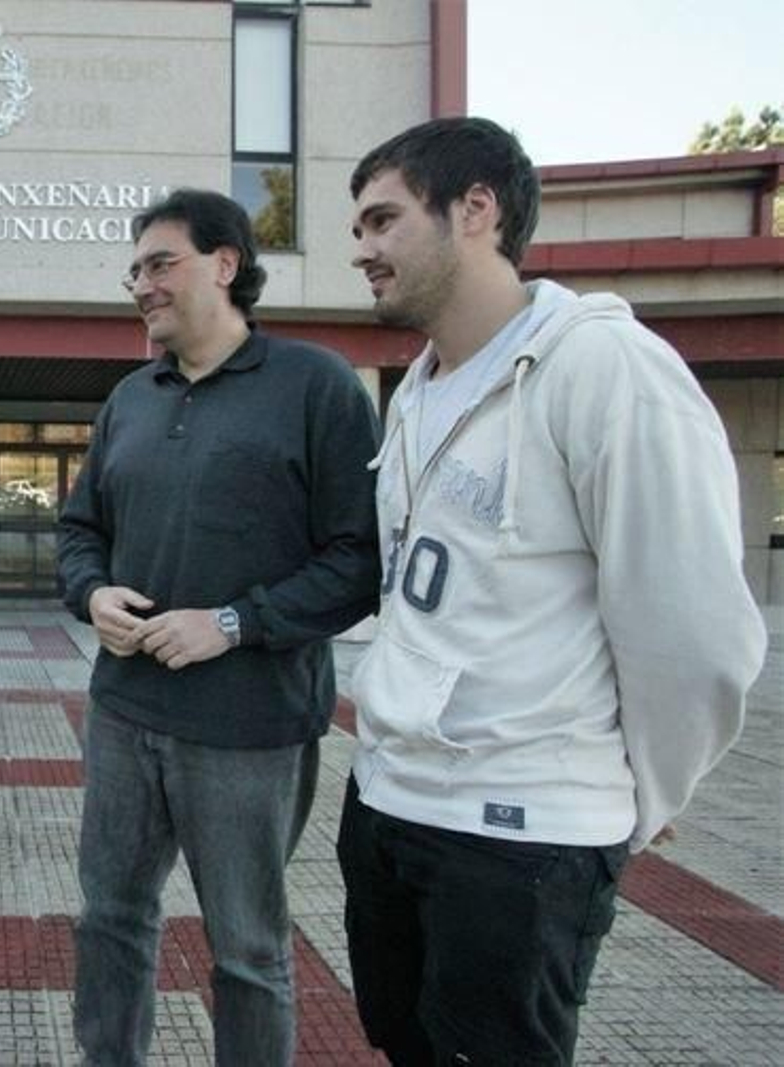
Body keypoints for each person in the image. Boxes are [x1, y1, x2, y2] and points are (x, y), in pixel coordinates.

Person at [339, 116, 768, 1065]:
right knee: (403, 1043)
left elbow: (692, 632)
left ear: (476, 210)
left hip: (522, 833)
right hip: (388, 805)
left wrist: (632, 802)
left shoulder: (604, 366)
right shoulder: (416, 388)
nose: (360, 250)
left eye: (382, 221)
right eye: (358, 229)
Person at [57, 188, 382, 1065]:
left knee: (248, 951)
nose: (140, 284)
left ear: (226, 264)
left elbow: (360, 561)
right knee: (111, 923)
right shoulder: (128, 397)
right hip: (124, 714)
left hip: (250, 730)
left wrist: (234, 623)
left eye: (159, 263)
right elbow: (80, 532)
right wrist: (92, 597)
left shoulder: (316, 385)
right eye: (133, 270)